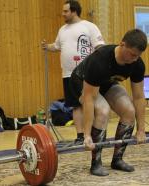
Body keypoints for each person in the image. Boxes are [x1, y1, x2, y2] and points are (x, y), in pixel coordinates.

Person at [68, 29, 147, 176]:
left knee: (129, 111)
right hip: (81, 81)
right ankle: (96, 163)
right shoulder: (100, 60)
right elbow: (89, 98)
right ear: (122, 44)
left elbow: (139, 97)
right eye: (132, 54)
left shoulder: (137, 64)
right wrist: (86, 135)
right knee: (103, 110)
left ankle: (117, 160)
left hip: (106, 83)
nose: (134, 59)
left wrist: (141, 129)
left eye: (138, 56)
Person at [41, 0, 105, 144]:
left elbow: (100, 47)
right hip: (68, 74)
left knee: (89, 103)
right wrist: (47, 46)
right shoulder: (62, 30)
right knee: (75, 105)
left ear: (74, 11)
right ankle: (80, 136)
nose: (62, 14)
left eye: (65, 11)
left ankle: (94, 133)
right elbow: (56, 46)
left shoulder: (89, 26)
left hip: (86, 74)